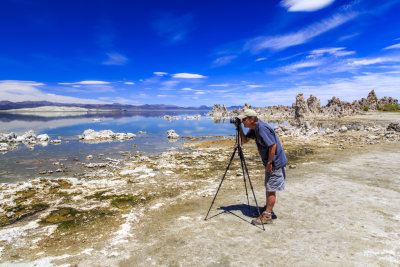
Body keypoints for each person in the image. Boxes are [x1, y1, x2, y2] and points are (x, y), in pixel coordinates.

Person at [237, 109, 287, 225]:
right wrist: (239, 127)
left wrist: (270, 163)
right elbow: (244, 140)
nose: (243, 121)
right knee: (269, 186)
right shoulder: (254, 129)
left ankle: (267, 215)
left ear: (252, 119)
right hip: (270, 163)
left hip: (275, 163)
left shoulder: (262, 128)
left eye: (244, 120)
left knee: (271, 189)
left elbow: (273, 145)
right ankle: (267, 209)